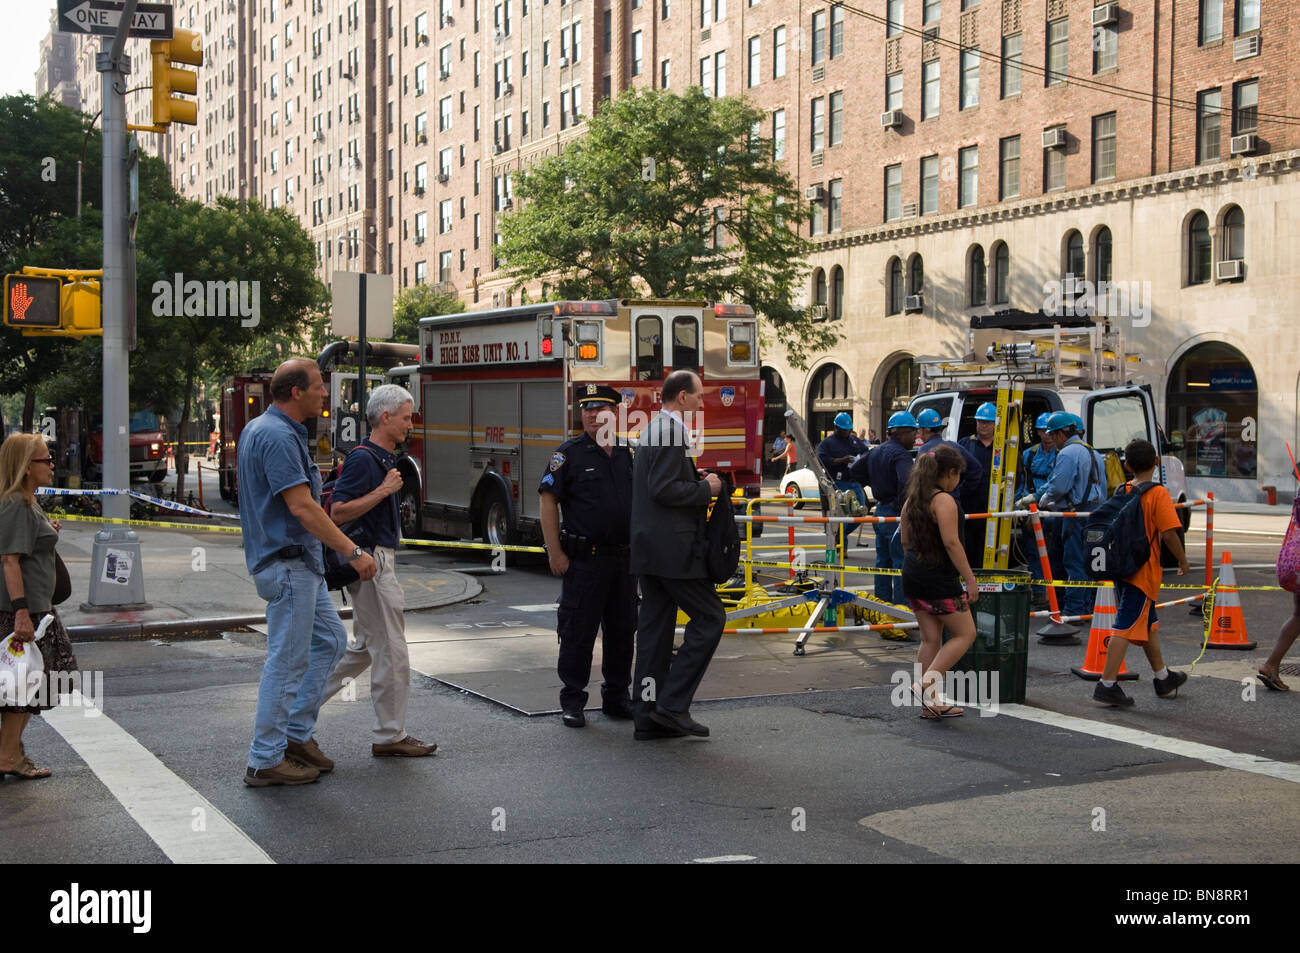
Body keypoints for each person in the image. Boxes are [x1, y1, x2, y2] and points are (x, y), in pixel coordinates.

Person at [238, 358, 378, 788]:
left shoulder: (263, 428)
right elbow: (302, 507)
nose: (325, 393)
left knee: (331, 641)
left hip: (298, 565)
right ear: (296, 391)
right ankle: (265, 758)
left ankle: (294, 736)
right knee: (287, 661)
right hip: (289, 564)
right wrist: (352, 550)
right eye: (319, 386)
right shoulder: (277, 436)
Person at [318, 384, 436, 757]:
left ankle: (296, 709)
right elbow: (338, 512)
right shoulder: (365, 460)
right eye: (405, 417)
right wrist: (384, 490)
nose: (409, 425)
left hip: (377, 559)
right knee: (393, 652)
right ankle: (390, 736)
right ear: (385, 417)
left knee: (367, 649)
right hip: (371, 562)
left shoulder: (379, 458)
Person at [630, 369, 725, 740]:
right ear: (682, 397)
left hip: (650, 549)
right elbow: (664, 488)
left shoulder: (653, 429)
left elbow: (660, 484)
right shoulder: (672, 431)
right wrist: (706, 487)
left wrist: (691, 479)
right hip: (673, 552)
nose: (702, 402)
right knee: (711, 617)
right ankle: (672, 705)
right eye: (699, 396)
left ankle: (647, 714)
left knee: (654, 633)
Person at [539, 383, 636, 727]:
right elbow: (548, 500)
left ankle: (617, 697)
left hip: (625, 561)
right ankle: (573, 700)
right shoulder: (568, 455)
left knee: (623, 632)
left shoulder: (629, 453)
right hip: (585, 561)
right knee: (578, 632)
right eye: (587, 409)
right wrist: (555, 553)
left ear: (615, 412)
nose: (592, 414)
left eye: (600, 408)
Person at [0, 434, 78, 780]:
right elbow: (10, 561)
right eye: (46, 460)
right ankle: (7, 756)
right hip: (25, 611)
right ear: (26, 467)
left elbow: (27, 544)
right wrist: (20, 613)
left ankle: (10, 752)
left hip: (38, 609)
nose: (51, 465)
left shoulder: (28, 501)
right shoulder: (17, 503)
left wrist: (49, 530)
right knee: (26, 684)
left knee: (29, 684)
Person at [1092, 439, 1191, 707]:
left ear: (1127, 465)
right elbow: (1170, 532)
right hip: (1143, 572)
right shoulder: (1158, 494)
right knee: (1124, 626)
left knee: (1149, 625)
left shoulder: (1123, 489)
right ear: (1157, 462)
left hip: (1124, 568)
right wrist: (1182, 560)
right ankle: (1107, 683)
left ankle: (1162, 677)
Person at [899, 445, 979, 719]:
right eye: (958, 476)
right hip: (939, 577)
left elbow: (905, 541)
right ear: (951, 473)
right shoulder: (944, 501)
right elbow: (952, 543)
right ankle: (925, 685)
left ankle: (930, 705)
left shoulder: (912, 500)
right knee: (965, 634)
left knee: (930, 638)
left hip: (913, 573)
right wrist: (970, 579)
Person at [1038, 411, 1106, 618]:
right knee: (1092, 562)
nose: (1050, 438)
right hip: (1094, 514)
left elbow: (1059, 487)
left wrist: (1042, 500)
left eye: (1052, 434)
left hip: (1074, 515)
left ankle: (1074, 610)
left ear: (1061, 434)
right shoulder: (1093, 452)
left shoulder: (1068, 453)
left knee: (1074, 561)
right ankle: (1090, 608)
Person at [866, 412, 917, 603]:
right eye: (913, 433)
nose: (915, 438)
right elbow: (906, 483)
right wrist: (903, 506)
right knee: (899, 563)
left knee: (882, 562)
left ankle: (882, 609)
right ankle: (900, 614)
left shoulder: (876, 451)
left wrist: (878, 486)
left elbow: (856, 470)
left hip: (880, 511)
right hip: (896, 515)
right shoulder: (901, 455)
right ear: (903, 433)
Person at [1017, 413, 1059, 601]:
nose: (1047, 435)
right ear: (1038, 432)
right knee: (1033, 551)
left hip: (1055, 509)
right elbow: (1021, 482)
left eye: (1050, 431)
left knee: (1056, 552)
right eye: (1043, 431)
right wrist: (1019, 505)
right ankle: (1040, 591)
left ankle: (1057, 592)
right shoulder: (1030, 455)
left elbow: (1058, 484)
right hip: (1032, 509)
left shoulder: (1062, 454)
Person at [958, 401, 998, 571]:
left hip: (994, 509)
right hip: (969, 508)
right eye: (980, 421)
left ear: (996, 424)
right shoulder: (966, 444)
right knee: (967, 550)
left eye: (987, 422)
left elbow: (1016, 477)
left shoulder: (1004, 447)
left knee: (988, 551)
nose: (983, 426)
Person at [916, 409, 983, 505]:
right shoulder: (955, 446)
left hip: (931, 503)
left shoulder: (923, 450)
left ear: (923, 430)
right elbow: (976, 469)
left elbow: (919, 480)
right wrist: (959, 491)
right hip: (953, 502)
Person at [816, 412, 869, 508]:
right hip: (838, 483)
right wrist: (840, 460)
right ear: (836, 428)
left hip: (855, 482)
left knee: (860, 512)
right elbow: (821, 459)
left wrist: (860, 459)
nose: (847, 432)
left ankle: (851, 523)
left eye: (849, 429)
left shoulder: (854, 440)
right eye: (844, 430)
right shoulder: (827, 443)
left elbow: (866, 452)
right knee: (842, 513)